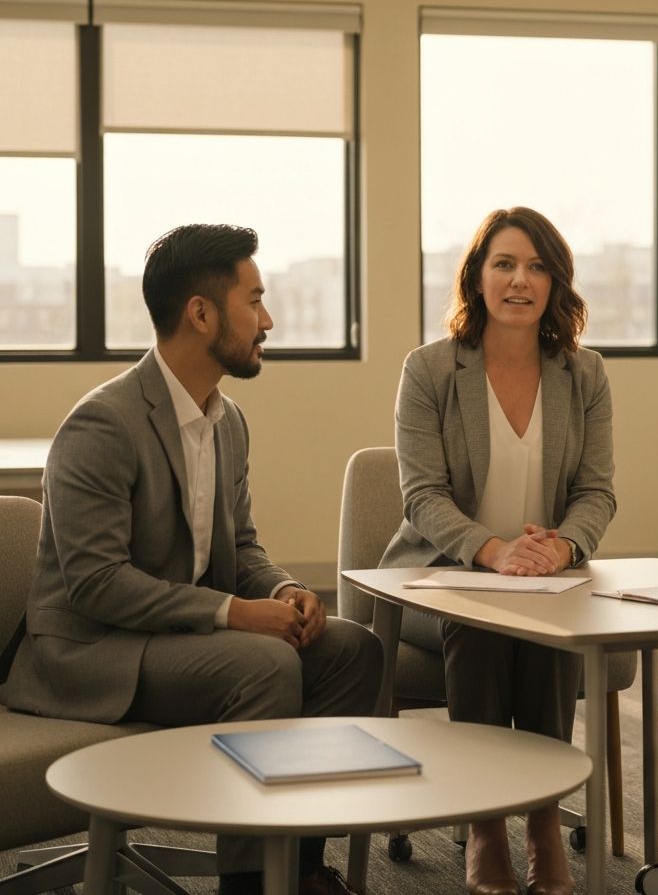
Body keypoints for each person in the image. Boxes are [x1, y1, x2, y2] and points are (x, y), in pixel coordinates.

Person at [2, 224, 383, 895]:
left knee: (353, 649)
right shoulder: (102, 425)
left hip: (174, 637)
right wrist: (235, 613)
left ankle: (296, 867)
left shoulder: (226, 420)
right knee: (262, 662)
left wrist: (288, 589)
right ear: (201, 313)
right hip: (94, 649)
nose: (268, 321)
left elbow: (239, 547)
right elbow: (96, 586)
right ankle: (249, 882)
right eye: (255, 301)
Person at [380, 207, 615, 895]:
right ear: (477, 277)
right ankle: (486, 825)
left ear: (556, 283)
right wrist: (492, 552)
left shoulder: (585, 373)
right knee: (484, 617)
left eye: (538, 266)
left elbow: (597, 493)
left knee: (537, 617)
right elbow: (421, 496)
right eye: (505, 264)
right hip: (436, 577)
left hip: (543, 578)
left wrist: (562, 546)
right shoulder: (429, 370)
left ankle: (543, 821)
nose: (521, 280)